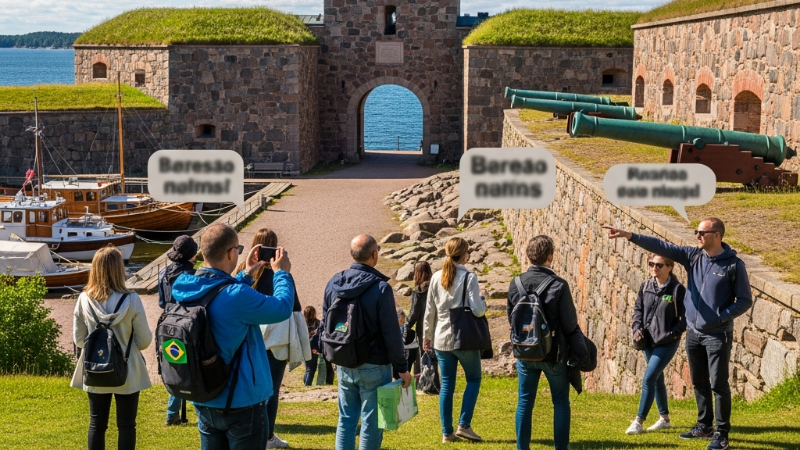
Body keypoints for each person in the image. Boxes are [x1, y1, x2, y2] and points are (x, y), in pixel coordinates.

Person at [604, 218, 752, 450]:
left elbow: (744, 300)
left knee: (719, 384)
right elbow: (662, 247)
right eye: (696, 232)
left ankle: (722, 434)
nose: (697, 236)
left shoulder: (733, 265)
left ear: (717, 235)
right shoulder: (693, 257)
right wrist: (630, 235)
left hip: (717, 335)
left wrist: (721, 317)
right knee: (699, 381)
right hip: (694, 333)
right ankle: (704, 425)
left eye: (702, 233)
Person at [171, 223, 295, 450]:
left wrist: (246, 274)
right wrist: (282, 274)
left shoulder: (184, 286)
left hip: (204, 395)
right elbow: (282, 308)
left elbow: (218, 294)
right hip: (242, 400)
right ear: (231, 253)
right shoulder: (237, 295)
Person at [322, 234, 411, 450]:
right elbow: (392, 333)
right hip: (375, 363)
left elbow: (325, 323)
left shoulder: (334, 283)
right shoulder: (380, 288)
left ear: (351, 254)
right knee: (371, 423)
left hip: (344, 359)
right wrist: (402, 368)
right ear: (374, 254)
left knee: (346, 420)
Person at [507, 235, 588, 450]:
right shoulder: (559, 285)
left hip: (525, 352)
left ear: (529, 255)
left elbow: (511, 320)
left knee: (525, 402)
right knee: (560, 401)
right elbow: (570, 325)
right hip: (554, 353)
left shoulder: (515, 284)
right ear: (550, 256)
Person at [233, 228, 309, 449]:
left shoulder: (243, 271)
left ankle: (251, 433)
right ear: (274, 248)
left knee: (248, 387)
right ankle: (267, 437)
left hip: (248, 337)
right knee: (272, 390)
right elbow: (293, 306)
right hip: (274, 339)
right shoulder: (280, 275)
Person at [72, 246, 153, 450]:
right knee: (126, 425)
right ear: (119, 269)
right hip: (128, 368)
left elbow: (79, 340)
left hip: (95, 367)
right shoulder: (132, 300)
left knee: (96, 424)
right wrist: (125, 345)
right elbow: (144, 341)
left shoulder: (84, 299)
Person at [423, 237, 486, 443]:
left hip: (441, 338)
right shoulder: (470, 277)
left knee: (447, 385)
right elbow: (477, 310)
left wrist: (427, 336)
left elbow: (429, 310)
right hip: (464, 337)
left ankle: (446, 432)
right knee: (474, 379)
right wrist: (483, 302)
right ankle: (464, 425)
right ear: (464, 253)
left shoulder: (436, 277)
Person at [625, 254, 687, 435]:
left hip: (666, 343)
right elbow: (638, 310)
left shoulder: (677, 290)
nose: (655, 268)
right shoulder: (646, 286)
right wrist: (636, 329)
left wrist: (673, 333)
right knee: (657, 378)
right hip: (648, 341)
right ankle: (664, 419)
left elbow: (687, 318)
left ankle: (638, 422)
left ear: (669, 267)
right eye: (652, 264)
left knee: (649, 378)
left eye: (659, 265)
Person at [157, 235, 197, 426]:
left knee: (174, 364)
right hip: (187, 324)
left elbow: (161, 302)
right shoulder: (193, 276)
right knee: (193, 365)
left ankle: (172, 413)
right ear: (192, 255)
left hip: (166, 322)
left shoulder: (162, 273)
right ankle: (200, 410)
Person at [405, 261, 432, 375]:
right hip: (438, 325)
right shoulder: (436, 286)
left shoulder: (419, 291)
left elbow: (414, 313)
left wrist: (404, 326)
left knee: (421, 355)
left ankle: (423, 382)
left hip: (423, 327)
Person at [304, 305, 334, 386]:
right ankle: (308, 384)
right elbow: (319, 336)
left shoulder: (302, 323)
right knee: (312, 368)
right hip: (314, 347)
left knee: (308, 368)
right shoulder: (318, 323)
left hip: (304, 347)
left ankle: (306, 384)